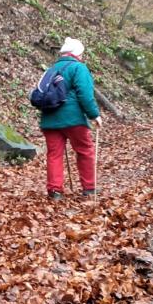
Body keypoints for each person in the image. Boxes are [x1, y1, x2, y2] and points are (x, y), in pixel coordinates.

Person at [39, 37, 102, 200]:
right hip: (73, 119)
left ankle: (55, 191)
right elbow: (85, 95)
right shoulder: (78, 68)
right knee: (85, 150)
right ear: (76, 53)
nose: (82, 57)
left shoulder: (52, 69)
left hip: (49, 119)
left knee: (54, 154)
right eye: (81, 53)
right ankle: (89, 188)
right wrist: (94, 115)